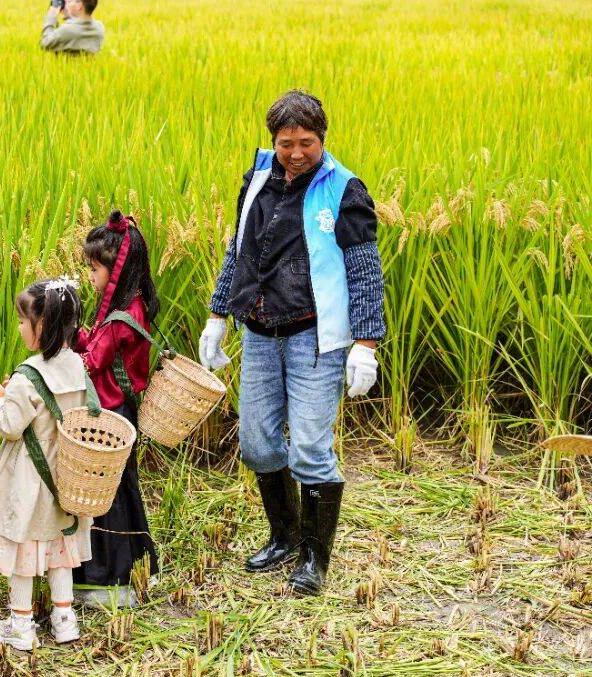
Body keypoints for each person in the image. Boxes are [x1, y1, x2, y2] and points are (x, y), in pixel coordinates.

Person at [197, 90, 386, 596]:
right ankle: (282, 536)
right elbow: (238, 250)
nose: (296, 153)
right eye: (286, 143)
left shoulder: (344, 190)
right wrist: (218, 316)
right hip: (258, 333)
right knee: (258, 444)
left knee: (308, 447)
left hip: (314, 337)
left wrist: (366, 344)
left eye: (307, 142)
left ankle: (313, 557)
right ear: (272, 141)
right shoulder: (258, 178)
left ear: (322, 139)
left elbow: (365, 271)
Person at [0, 279, 92, 650]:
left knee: (25, 549)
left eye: (23, 321)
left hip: (31, 478)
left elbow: (9, 426)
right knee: (60, 546)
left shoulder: (29, 374)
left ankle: (21, 625)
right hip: (66, 475)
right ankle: (64, 618)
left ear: (42, 326)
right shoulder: (75, 364)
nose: (19, 327)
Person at [72, 210, 160, 608]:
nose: (91, 277)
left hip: (112, 414)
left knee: (106, 498)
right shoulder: (132, 306)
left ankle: (112, 579)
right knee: (120, 491)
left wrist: (65, 338)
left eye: (94, 269)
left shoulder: (122, 317)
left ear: (117, 269)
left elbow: (92, 361)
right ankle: (128, 570)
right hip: (118, 411)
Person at [40, 0, 104, 55]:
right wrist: (69, 15)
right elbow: (77, 28)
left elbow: (45, 43)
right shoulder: (99, 27)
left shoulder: (67, 30)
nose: (67, 2)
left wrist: (52, 15)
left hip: (64, 68)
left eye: (70, 1)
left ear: (79, 5)